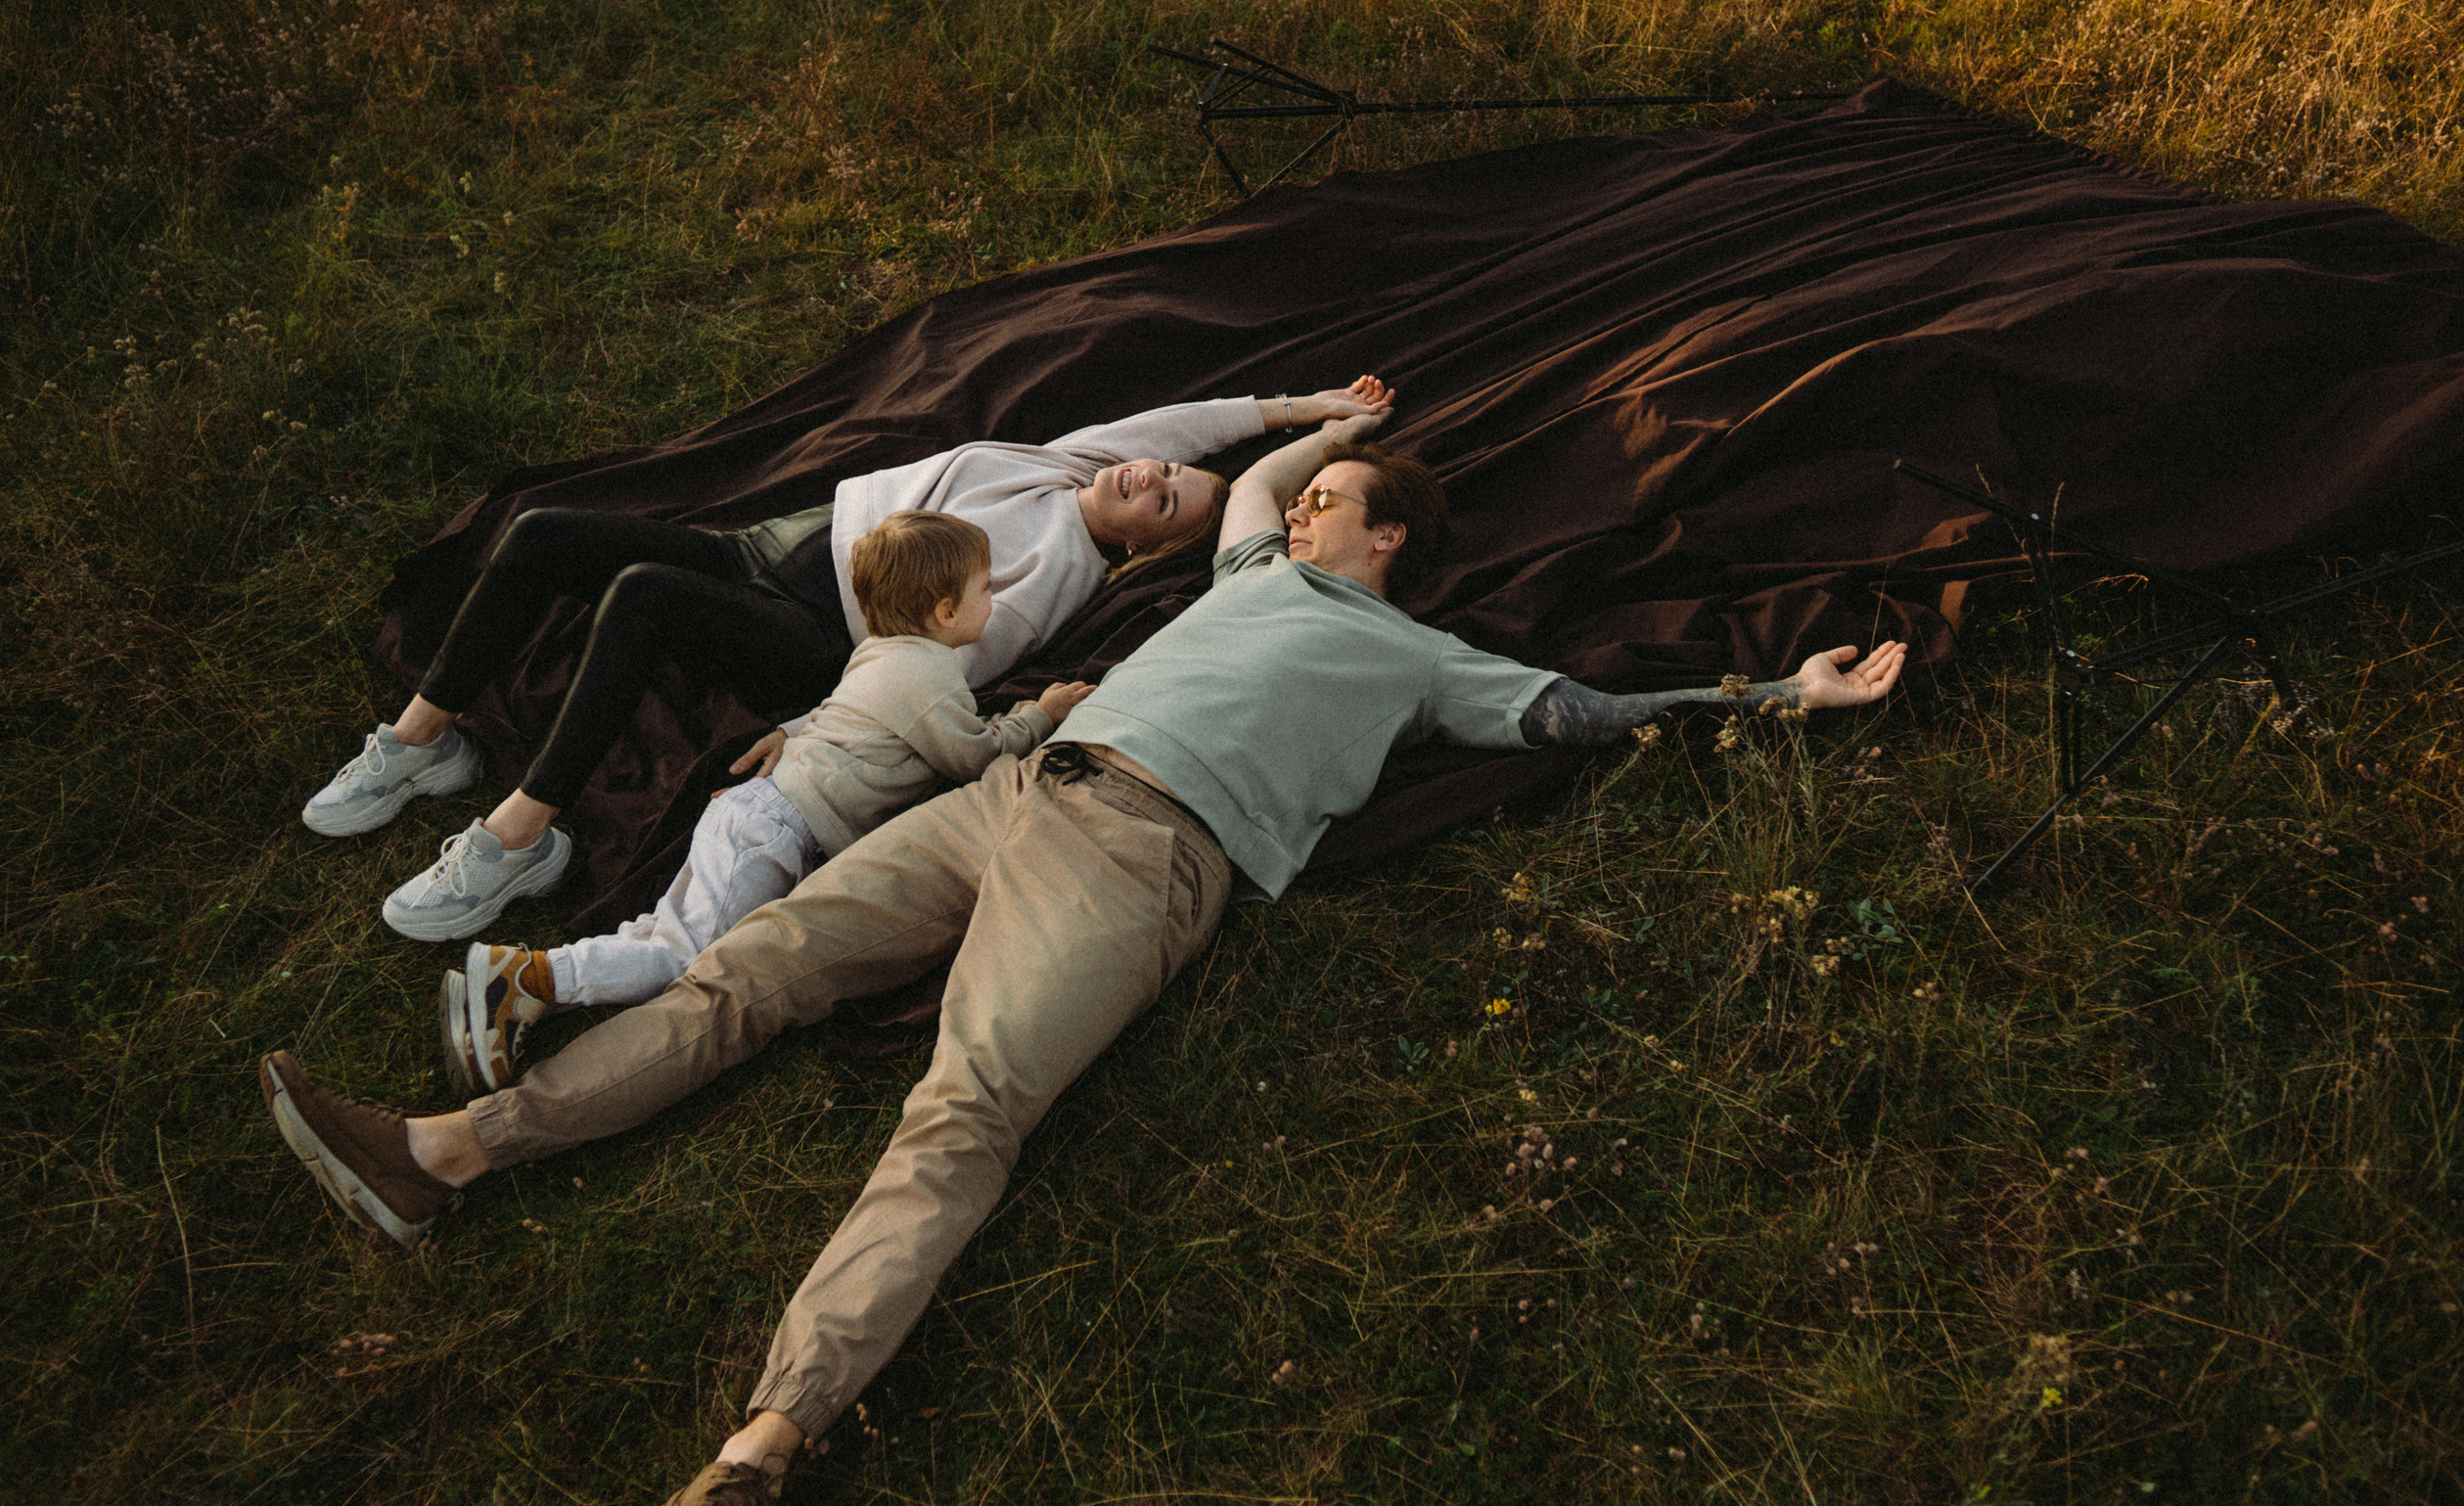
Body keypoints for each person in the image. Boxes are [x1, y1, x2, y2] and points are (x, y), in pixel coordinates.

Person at [257, 400, 1904, 1505]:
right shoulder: (1261, 549)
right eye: (1313, 496)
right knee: (748, 975)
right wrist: (1323, 422)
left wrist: (1777, 697)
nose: (1299, 506)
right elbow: (1251, 486)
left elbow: (1573, 711)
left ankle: (770, 1434)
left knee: (960, 1116)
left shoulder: (1423, 657)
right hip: (1005, 794)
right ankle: (446, 1151)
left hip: (1144, 859)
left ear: (1384, 541)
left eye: (1339, 500)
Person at [297, 380, 1393, 941]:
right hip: (761, 551)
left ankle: (517, 839)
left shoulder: (1058, 567)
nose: (1149, 473)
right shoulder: (1065, 466)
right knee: (541, 530)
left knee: (633, 598)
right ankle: (416, 743)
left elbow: (934, 667)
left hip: (820, 632)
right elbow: (1189, 421)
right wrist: (1310, 411)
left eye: (1164, 502)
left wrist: (819, 724)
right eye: (1156, 469)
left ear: (1140, 548)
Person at [438, 510, 1095, 1098]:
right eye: (986, 585)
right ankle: (526, 977)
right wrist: (1040, 714)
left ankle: (528, 989)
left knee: (665, 931)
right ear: (947, 612)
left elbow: (839, 714)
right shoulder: (930, 677)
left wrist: (789, 730)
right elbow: (974, 755)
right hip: (772, 828)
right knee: (686, 956)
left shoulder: (881, 652)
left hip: (758, 814)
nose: (997, 593)